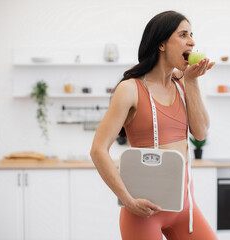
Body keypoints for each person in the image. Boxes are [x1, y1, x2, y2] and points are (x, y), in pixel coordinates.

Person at [90, 10, 217, 240]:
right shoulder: (129, 89)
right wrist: (128, 201)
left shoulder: (181, 83)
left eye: (192, 34)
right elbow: (98, 150)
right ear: (161, 44)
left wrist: (192, 82)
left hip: (185, 208)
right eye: (183, 35)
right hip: (143, 212)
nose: (192, 41)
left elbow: (201, 133)